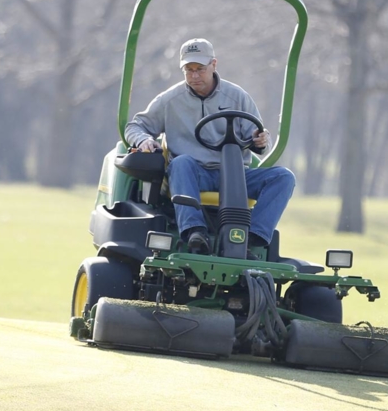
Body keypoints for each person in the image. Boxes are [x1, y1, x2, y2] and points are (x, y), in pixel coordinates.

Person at [125, 38, 295, 255]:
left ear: (214, 64)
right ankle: (195, 232)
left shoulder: (237, 96)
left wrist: (260, 140)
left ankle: (252, 239)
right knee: (181, 162)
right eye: (189, 70)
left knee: (283, 177)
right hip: (194, 174)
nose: (194, 75)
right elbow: (136, 126)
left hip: (236, 177)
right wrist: (143, 140)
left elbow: (258, 137)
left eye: (200, 69)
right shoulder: (171, 99)